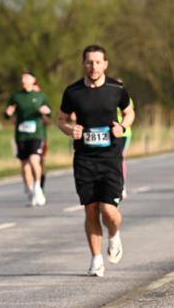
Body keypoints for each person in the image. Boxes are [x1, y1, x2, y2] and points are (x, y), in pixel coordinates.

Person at [56, 45, 134, 278]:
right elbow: (60, 120)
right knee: (90, 210)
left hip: (110, 157)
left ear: (105, 64)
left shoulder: (116, 88)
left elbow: (129, 112)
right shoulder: (73, 92)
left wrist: (123, 126)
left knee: (108, 210)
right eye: (89, 62)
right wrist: (71, 130)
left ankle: (115, 234)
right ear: (83, 64)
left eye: (98, 62)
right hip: (84, 158)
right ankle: (96, 259)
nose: (94, 67)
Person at [5, 71, 51, 206]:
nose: (23, 80)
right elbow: (7, 113)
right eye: (22, 78)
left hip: (37, 134)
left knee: (34, 160)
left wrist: (46, 110)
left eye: (26, 78)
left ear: (33, 80)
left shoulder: (40, 96)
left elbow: (50, 110)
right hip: (21, 135)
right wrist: (8, 113)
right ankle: (31, 191)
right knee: (25, 166)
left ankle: (38, 188)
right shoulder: (16, 97)